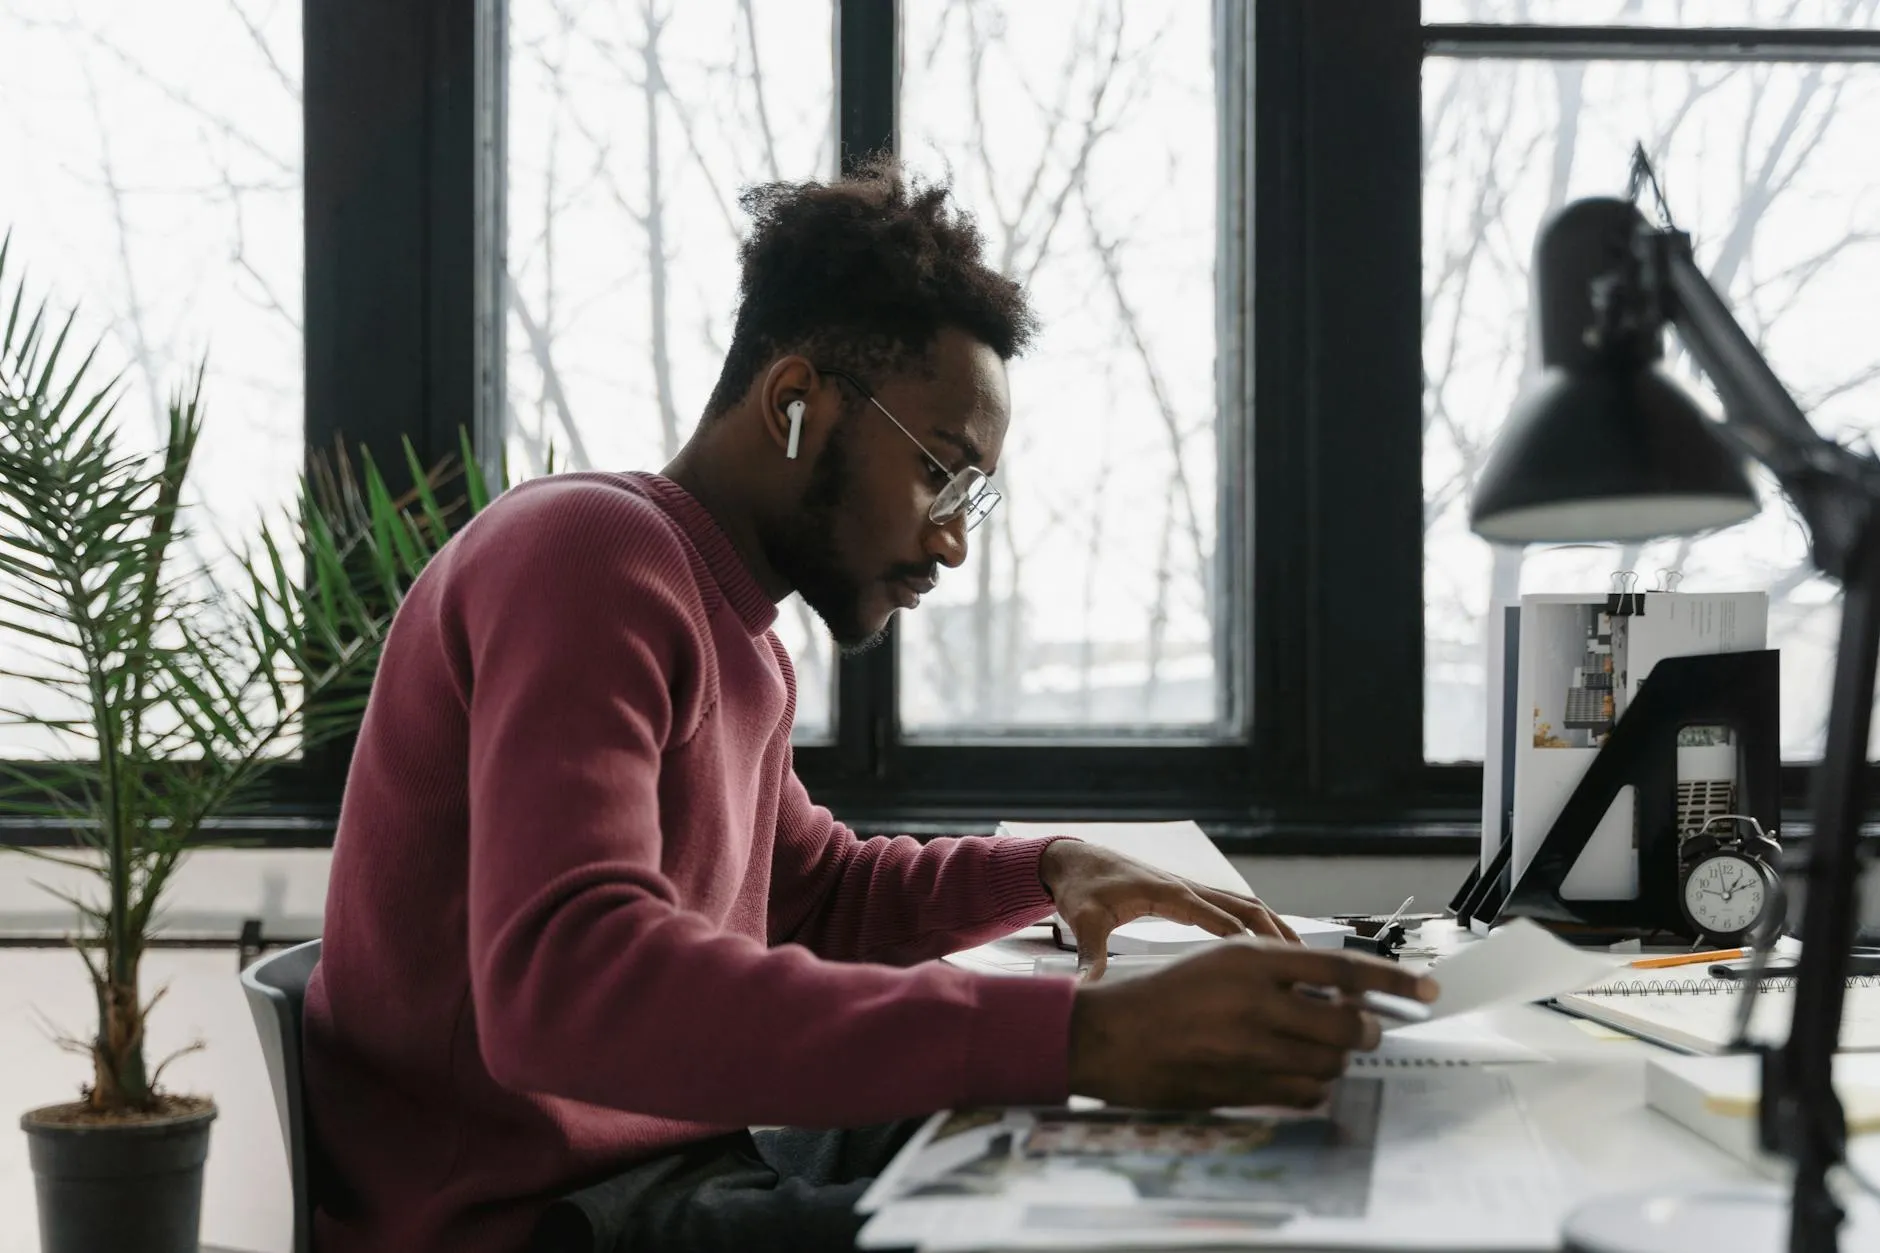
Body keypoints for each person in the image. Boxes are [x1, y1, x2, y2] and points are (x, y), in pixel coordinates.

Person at [301, 158, 1434, 1253]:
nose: (948, 537)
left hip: (664, 1166)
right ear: (794, 399)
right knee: (1092, 1215)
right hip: (533, 1218)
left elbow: (819, 893)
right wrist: (1086, 1031)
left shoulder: (733, 630)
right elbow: (565, 983)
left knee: (1101, 1150)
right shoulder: (586, 554)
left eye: (969, 497)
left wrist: (1049, 867)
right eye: (940, 470)